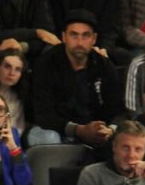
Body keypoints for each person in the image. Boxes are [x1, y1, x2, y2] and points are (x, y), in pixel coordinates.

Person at [29, 10, 125, 148]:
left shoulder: (104, 66)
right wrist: (79, 130)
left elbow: (118, 110)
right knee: (48, 138)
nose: (79, 42)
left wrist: (109, 130)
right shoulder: (46, 63)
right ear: (63, 37)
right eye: (74, 35)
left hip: (94, 131)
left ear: (94, 39)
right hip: (56, 131)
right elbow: (43, 115)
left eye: (86, 36)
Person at [0, 49, 29, 139]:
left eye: (17, 69)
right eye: (7, 67)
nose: (12, 73)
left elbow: (17, 129)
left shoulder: (16, 97)